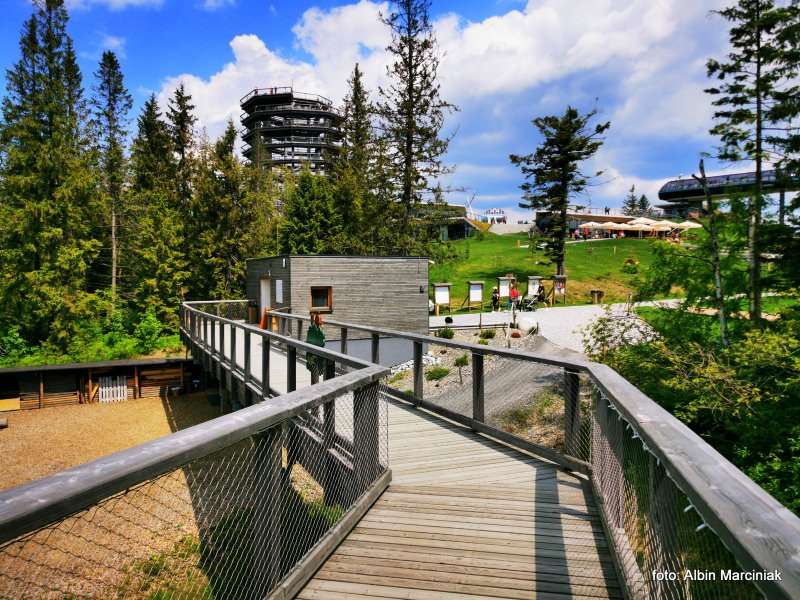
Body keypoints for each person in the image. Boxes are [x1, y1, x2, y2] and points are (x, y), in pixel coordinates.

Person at [306, 312, 326, 380]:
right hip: (314, 353)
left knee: (316, 366)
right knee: (315, 365)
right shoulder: (314, 329)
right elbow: (322, 342)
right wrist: (322, 330)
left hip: (314, 352)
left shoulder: (313, 328)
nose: (322, 321)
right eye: (320, 319)